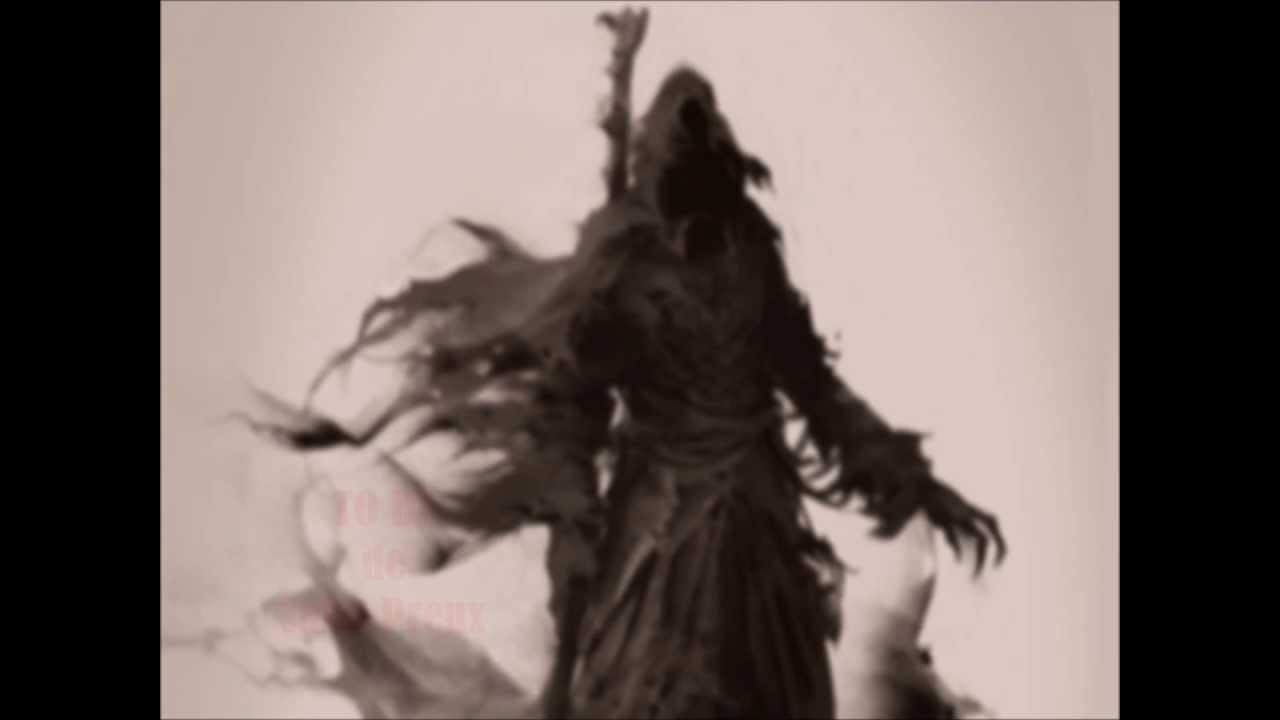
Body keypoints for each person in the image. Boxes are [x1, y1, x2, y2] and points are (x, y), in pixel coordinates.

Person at [244, 8, 1005, 718]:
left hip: (683, 531)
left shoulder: (691, 259)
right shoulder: (725, 256)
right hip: (707, 529)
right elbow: (811, 393)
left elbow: (796, 392)